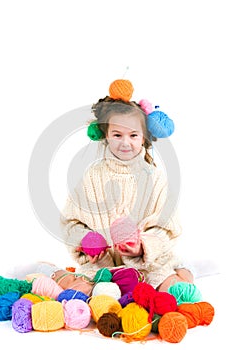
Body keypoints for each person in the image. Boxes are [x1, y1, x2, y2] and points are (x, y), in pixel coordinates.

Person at [60, 79, 193, 292]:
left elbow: (167, 229)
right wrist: (85, 240)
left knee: (174, 292)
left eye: (133, 135)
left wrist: (143, 247)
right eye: (117, 135)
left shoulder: (155, 178)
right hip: (100, 268)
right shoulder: (92, 176)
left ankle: (184, 270)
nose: (125, 142)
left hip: (147, 267)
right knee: (77, 294)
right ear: (105, 135)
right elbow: (69, 222)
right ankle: (48, 271)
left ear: (143, 137)